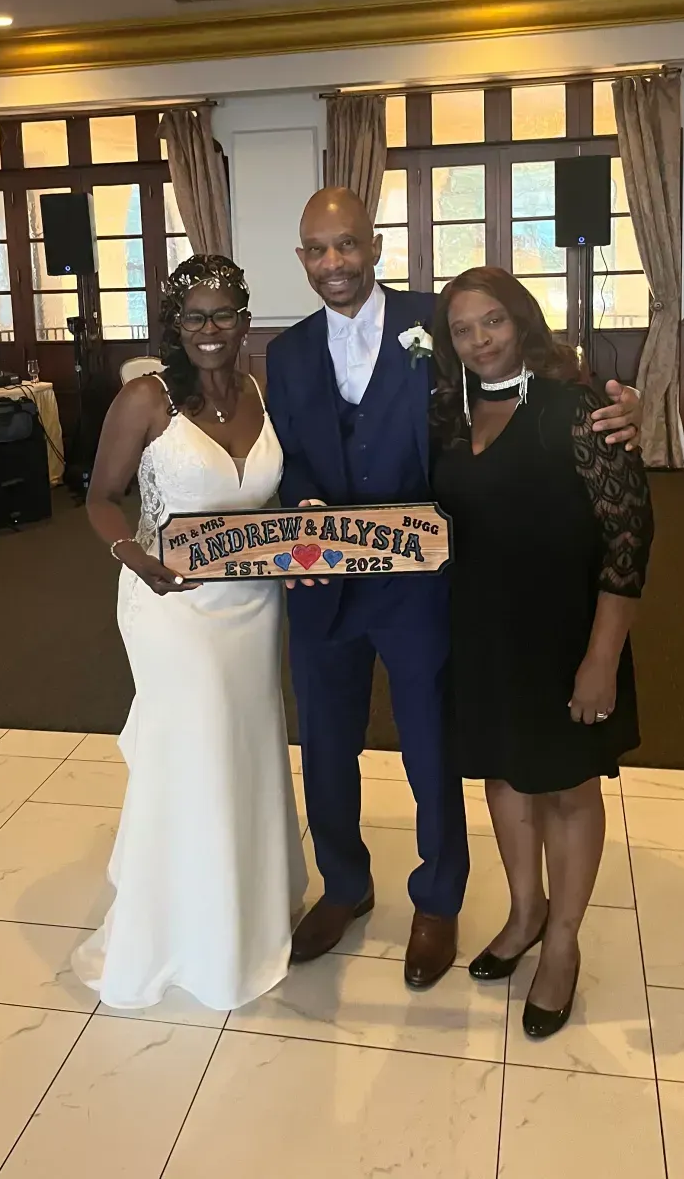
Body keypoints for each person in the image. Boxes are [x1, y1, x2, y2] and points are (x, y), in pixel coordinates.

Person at [266, 188, 643, 990]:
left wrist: (623, 408)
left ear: (373, 246)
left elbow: (529, 377)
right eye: (316, 249)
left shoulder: (434, 324)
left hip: (426, 585)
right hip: (322, 586)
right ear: (301, 258)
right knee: (324, 747)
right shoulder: (286, 352)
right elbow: (286, 455)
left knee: (432, 748)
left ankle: (437, 901)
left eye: (346, 244)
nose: (333, 262)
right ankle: (343, 885)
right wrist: (299, 504)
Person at [74, 254, 306, 1012]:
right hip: (170, 603)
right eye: (194, 317)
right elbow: (101, 498)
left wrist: (300, 537)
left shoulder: (259, 389)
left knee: (244, 745)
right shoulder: (147, 398)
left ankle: (250, 908)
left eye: (224, 314)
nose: (210, 330)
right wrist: (133, 555)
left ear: (245, 320)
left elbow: (271, 501)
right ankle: (186, 930)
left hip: (253, 605)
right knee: (194, 753)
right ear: (174, 326)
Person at [429, 266, 653, 1038]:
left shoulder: (578, 409)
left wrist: (601, 659)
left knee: (567, 786)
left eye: (492, 321)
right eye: (462, 329)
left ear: (521, 320)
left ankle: (562, 941)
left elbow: (628, 540)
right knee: (502, 773)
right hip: (481, 632)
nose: (479, 340)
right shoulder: (448, 415)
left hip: (564, 635)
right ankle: (525, 913)